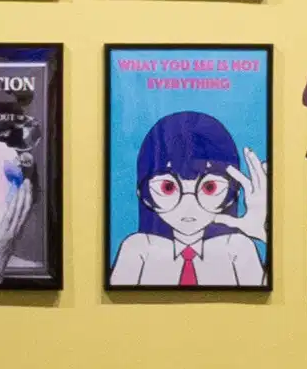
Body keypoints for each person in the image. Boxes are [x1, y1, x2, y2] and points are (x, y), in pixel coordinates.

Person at [108, 105, 267, 288]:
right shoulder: (138, 249)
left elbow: (267, 298)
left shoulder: (238, 248)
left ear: (234, 192)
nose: (188, 204)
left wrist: (264, 233)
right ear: (143, 193)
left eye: (209, 187)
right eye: (168, 187)